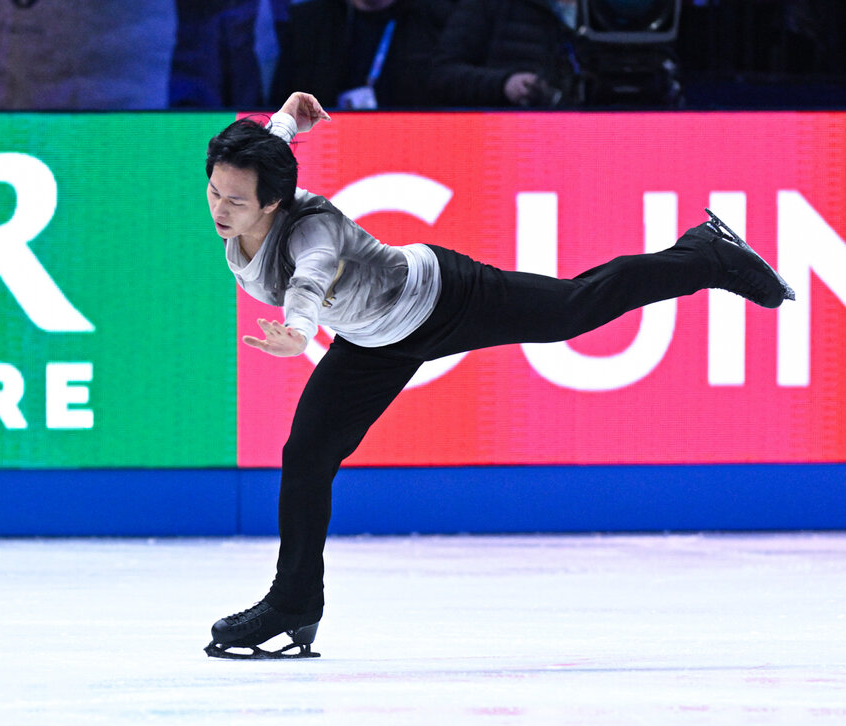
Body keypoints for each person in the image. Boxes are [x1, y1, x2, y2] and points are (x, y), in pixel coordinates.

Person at [203, 92, 795, 659]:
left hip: (439, 297)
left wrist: (300, 331)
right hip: (372, 342)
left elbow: (310, 277)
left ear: (274, 202)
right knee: (307, 454)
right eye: (214, 192)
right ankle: (294, 602)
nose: (220, 210)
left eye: (235, 201)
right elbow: (269, 151)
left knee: (570, 309)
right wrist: (286, 120)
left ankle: (705, 255)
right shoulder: (258, 182)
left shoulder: (310, 229)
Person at [271, 0, 456, 109]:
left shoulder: (440, 21)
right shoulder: (308, 22)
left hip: (411, 141)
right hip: (326, 143)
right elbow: (280, 104)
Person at [428, 0, 580, 107]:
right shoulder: (489, 5)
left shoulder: (591, 9)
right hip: (507, 131)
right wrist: (504, 84)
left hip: (582, 132)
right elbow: (443, 75)